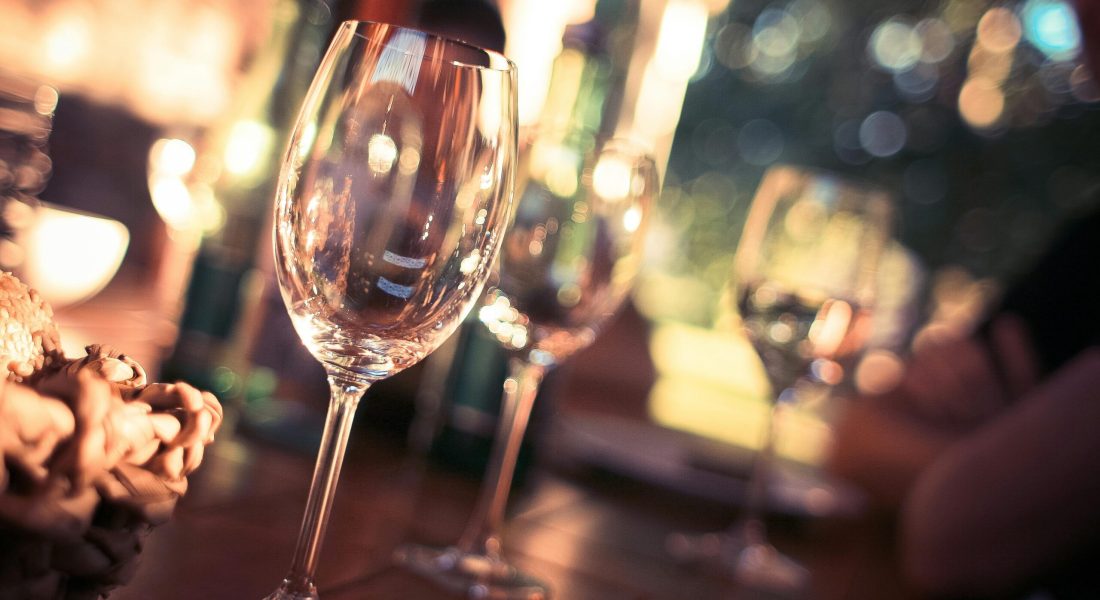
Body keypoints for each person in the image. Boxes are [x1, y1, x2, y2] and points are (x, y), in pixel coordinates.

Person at [826, 171, 1100, 596]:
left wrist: (994, 469)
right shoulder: (1086, 255)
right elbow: (853, 437)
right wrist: (1013, 471)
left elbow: (951, 527)